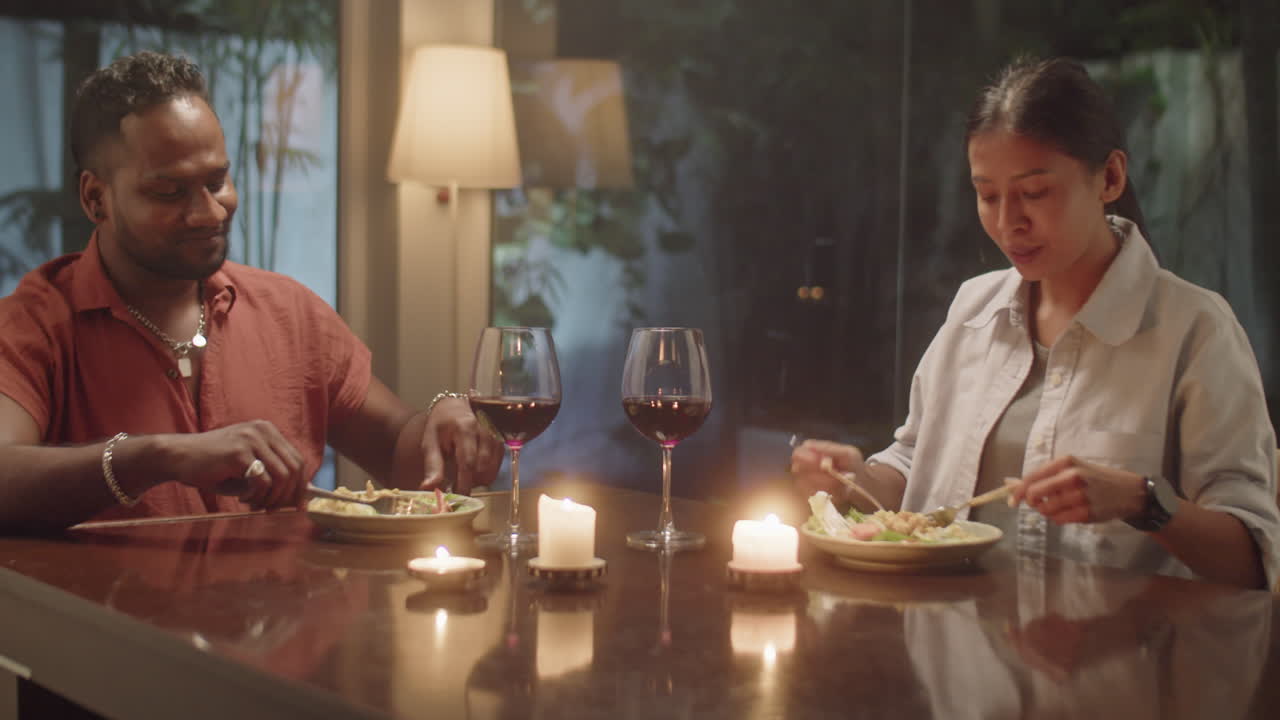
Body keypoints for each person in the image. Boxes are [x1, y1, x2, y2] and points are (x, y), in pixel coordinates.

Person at [792, 57, 1279, 589]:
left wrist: (1143, 501)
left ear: (1110, 177)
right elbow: (917, 466)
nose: (1008, 222)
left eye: (1035, 192)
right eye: (988, 194)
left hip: (1116, 660)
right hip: (956, 654)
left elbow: (1253, 560)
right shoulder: (974, 310)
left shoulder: (1194, 330)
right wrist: (852, 480)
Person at [0, 51, 503, 532]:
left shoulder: (288, 312)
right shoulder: (34, 324)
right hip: (104, 621)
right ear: (95, 198)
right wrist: (154, 456)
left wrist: (445, 426)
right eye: (169, 192)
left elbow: (399, 450)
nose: (209, 212)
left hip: (285, 616)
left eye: (217, 181)